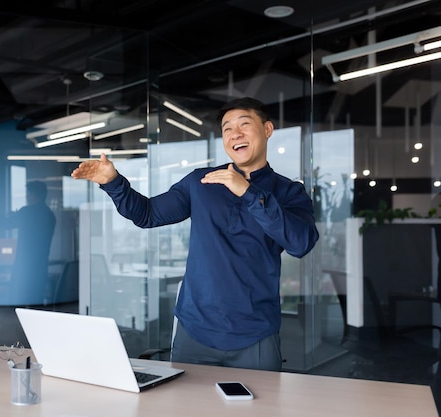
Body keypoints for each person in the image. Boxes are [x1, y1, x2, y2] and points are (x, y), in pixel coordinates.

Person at [71, 97, 319, 371]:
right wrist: (114, 183)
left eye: (244, 125)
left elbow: (301, 243)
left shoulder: (288, 193)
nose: (235, 134)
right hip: (194, 334)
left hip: (256, 335)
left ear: (267, 130)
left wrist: (248, 192)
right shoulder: (201, 183)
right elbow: (148, 214)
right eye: (227, 129)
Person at [8, 181, 56, 304]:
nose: (27, 196)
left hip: (24, 266)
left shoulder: (26, 212)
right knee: (36, 300)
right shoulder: (49, 215)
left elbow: (6, 224)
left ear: (33, 195)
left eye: (28, 193)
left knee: (19, 301)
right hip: (40, 265)